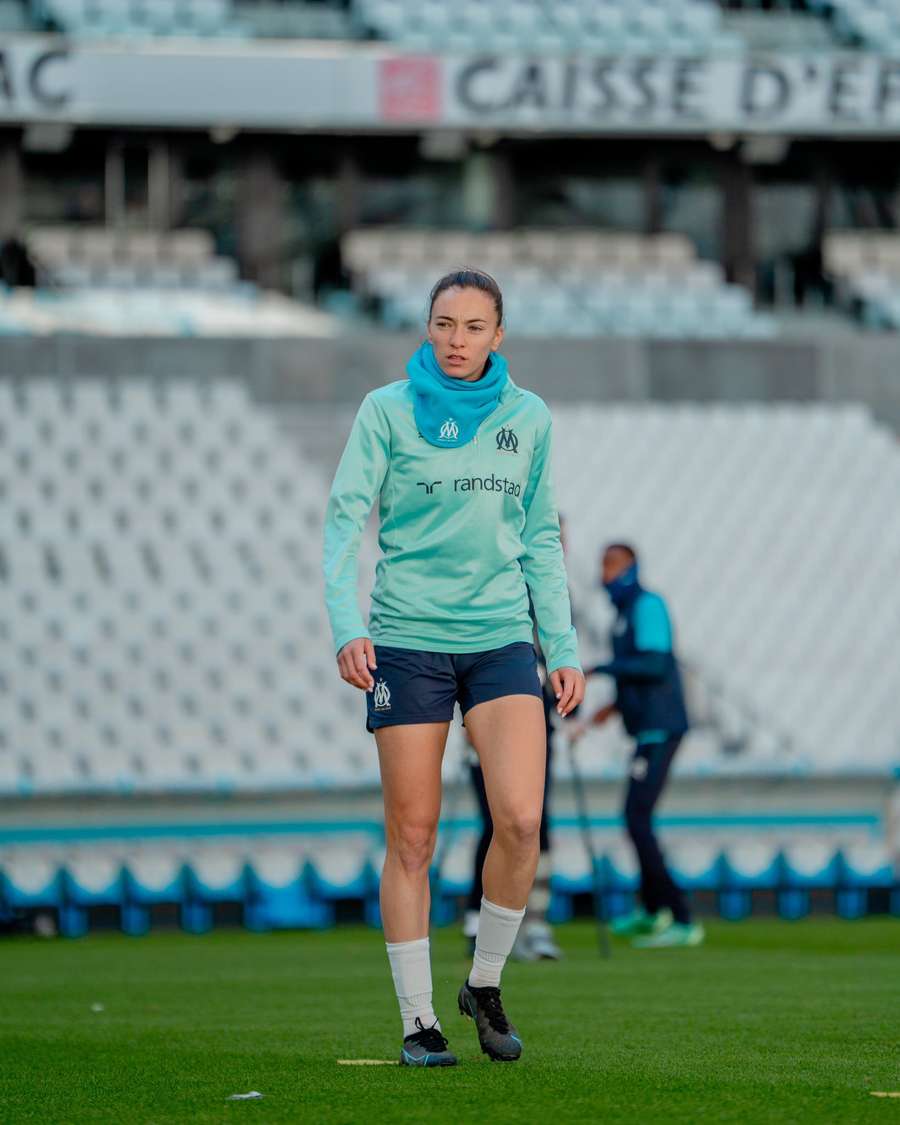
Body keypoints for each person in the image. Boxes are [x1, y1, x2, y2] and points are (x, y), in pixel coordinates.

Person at [322, 269, 584, 1067]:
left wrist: (562, 646)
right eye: (445, 323)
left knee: (521, 820)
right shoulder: (386, 410)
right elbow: (343, 520)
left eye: (474, 326)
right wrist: (347, 624)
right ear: (427, 328)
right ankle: (418, 1021)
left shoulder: (529, 417)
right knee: (413, 834)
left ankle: (485, 981)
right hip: (406, 640)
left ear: (499, 334)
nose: (458, 339)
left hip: (503, 639)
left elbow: (540, 537)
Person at [570, 543, 704, 949]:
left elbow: (656, 663)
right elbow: (638, 673)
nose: (605, 575)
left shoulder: (647, 606)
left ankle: (679, 916)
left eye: (611, 566)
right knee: (635, 817)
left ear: (627, 568)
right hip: (645, 728)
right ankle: (654, 911)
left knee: (637, 816)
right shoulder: (623, 615)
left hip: (661, 728)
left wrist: (599, 670)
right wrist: (610, 709)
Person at [463, 516, 576, 963]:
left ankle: (536, 924)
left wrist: (567, 691)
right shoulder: (502, 584)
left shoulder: (556, 595)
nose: (560, 547)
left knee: (534, 824)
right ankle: (478, 918)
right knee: (495, 824)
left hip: (536, 726)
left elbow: (564, 652)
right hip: (489, 722)